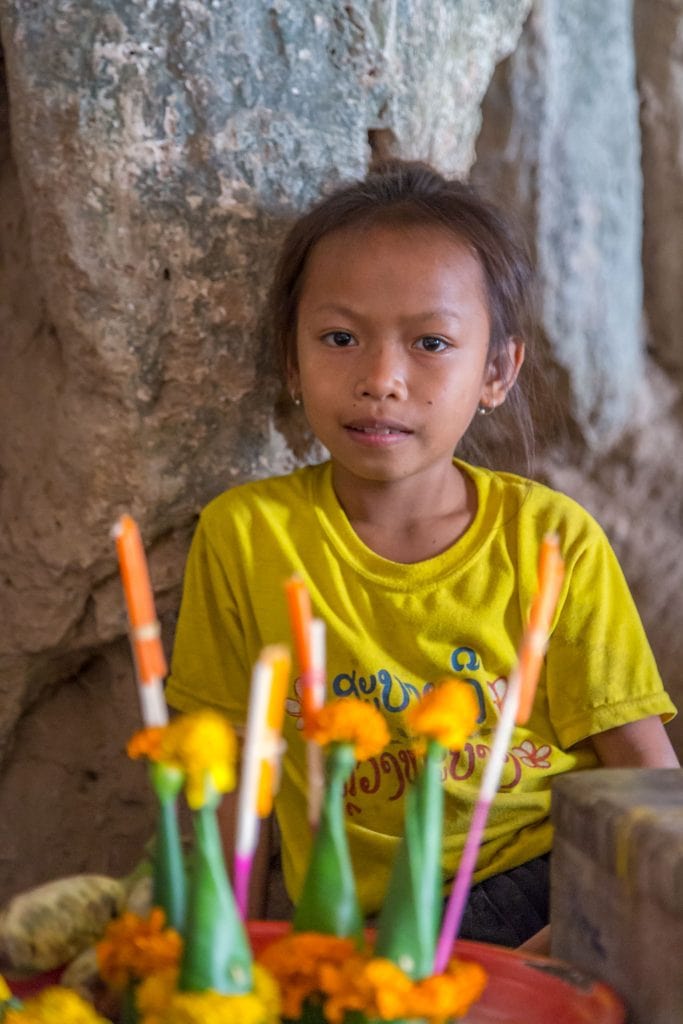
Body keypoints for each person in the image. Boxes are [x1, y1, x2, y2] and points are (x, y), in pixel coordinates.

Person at [165, 159, 679, 949]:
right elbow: (230, 776)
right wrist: (218, 947)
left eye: (430, 342)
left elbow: (649, 782)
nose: (381, 379)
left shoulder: (549, 540)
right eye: (339, 338)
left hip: (546, 882)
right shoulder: (247, 537)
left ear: (496, 372)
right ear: (292, 357)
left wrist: (591, 927)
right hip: (362, 926)